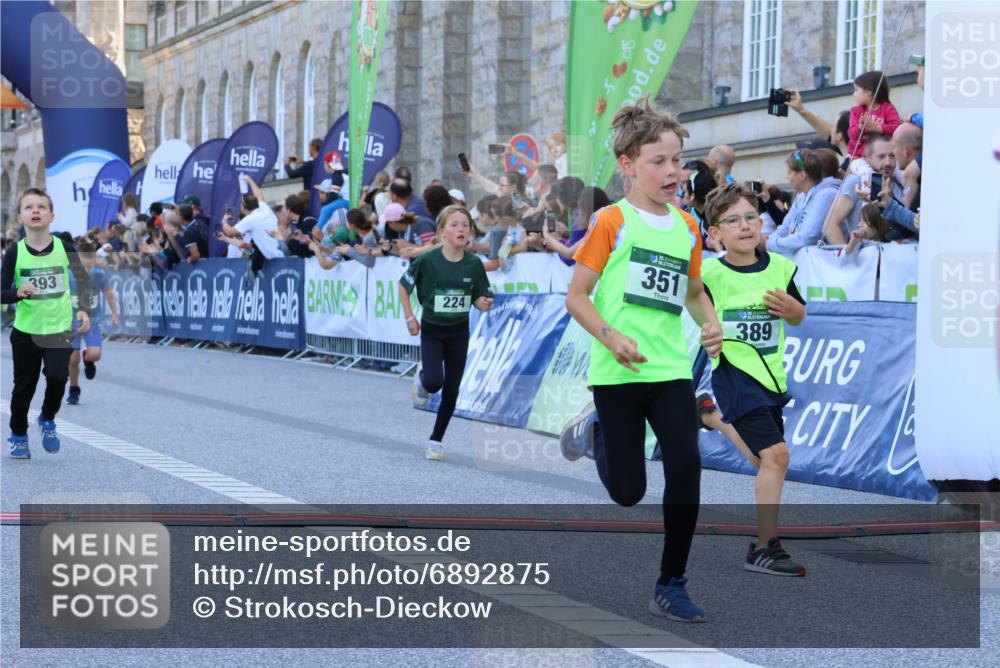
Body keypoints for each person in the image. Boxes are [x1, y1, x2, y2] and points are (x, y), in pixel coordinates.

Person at [564, 96, 722, 623]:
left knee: (686, 465)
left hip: (670, 369)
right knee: (629, 492)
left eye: (677, 160)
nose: (673, 171)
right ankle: (595, 432)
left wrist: (710, 321)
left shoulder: (688, 226)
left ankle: (671, 583)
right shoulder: (612, 221)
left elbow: (693, 291)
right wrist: (610, 337)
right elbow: (577, 297)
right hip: (617, 372)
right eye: (659, 161)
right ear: (628, 165)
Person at [702, 183, 807, 577]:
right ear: (716, 233)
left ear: (761, 224)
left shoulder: (780, 268)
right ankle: (764, 548)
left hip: (771, 378)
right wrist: (709, 332)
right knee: (777, 456)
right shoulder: (710, 274)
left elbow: (798, 316)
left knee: (761, 459)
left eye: (751, 217)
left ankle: (711, 418)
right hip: (734, 374)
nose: (745, 226)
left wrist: (794, 309)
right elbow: (695, 313)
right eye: (733, 221)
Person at [1, 188, 92, 458]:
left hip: (59, 328)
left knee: (57, 377)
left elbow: (83, 281)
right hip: (26, 331)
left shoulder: (65, 248)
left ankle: (47, 418)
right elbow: (1, 292)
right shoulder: (14, 253)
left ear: (51, 216)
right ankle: (18, 435)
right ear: (20, 217)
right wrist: (16, 292)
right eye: (29, 207)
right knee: (24, 388)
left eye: (41, 207)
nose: (35, 211)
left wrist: (84, 309)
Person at [400, 205, 494, 461]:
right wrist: (410, 317)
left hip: (458, 332)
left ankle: (436, 440)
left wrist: (482, 303)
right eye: (454, 225)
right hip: (432, 330)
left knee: (452, 389)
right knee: (434, 383)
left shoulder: (474, 264)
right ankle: (422, 379)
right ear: (442, 232)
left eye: (465, 225)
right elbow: (403, 286)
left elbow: (478, 297)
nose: (461, 229)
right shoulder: (428, 261)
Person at [822, 135, 904, 244]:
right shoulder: (856, 181)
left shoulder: (898, 182)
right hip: (866, 252)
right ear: (868, 158)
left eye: (892, 156)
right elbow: (829, 227)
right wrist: (850, 253)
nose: (888, 162)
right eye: (881, 156)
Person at [66, 239, 119, 405]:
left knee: (95, 354)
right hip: (71, 322)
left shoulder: (99, 274)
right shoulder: (67, 274)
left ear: (94, 260)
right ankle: (74, 388)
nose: (86, 270)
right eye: (83, 266)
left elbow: (109, 293)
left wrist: (115, 313)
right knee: (73, 359)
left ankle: (88, 359)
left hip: (93, 321)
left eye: (89, 266)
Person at [763, 149, 838, 257]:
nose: (787, 177)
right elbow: (784, 228)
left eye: (789, 173)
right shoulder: (801, 197)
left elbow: (809, 237)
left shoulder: (826, 194)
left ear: (802, 175)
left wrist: (769, 244)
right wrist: (768, 240)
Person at [847, 71, 901, 161]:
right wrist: (860, 127)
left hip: (883, 156)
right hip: (859, 157)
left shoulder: (887, 109)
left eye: (856, 90)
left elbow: (898, 129)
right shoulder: (855, 111)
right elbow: (852, 134)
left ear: (868, 91)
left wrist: (880, 128)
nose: (854, 94)